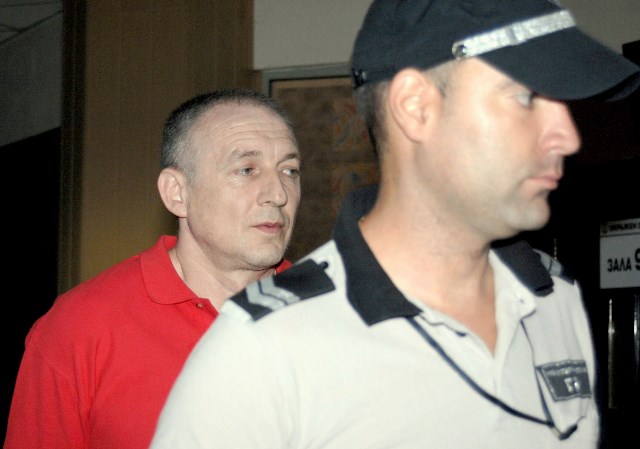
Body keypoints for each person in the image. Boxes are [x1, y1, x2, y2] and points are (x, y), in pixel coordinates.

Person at [149, 1, 640, 448]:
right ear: (415, 106)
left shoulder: (553, 298)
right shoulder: (267, 348)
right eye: (527, 97)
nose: (567, 137)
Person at [3, 88, 301, 449]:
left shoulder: (335, 316)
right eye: (247, 170)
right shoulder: (79, 328)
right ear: (177, 192)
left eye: (289, 170)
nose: (278, 194)